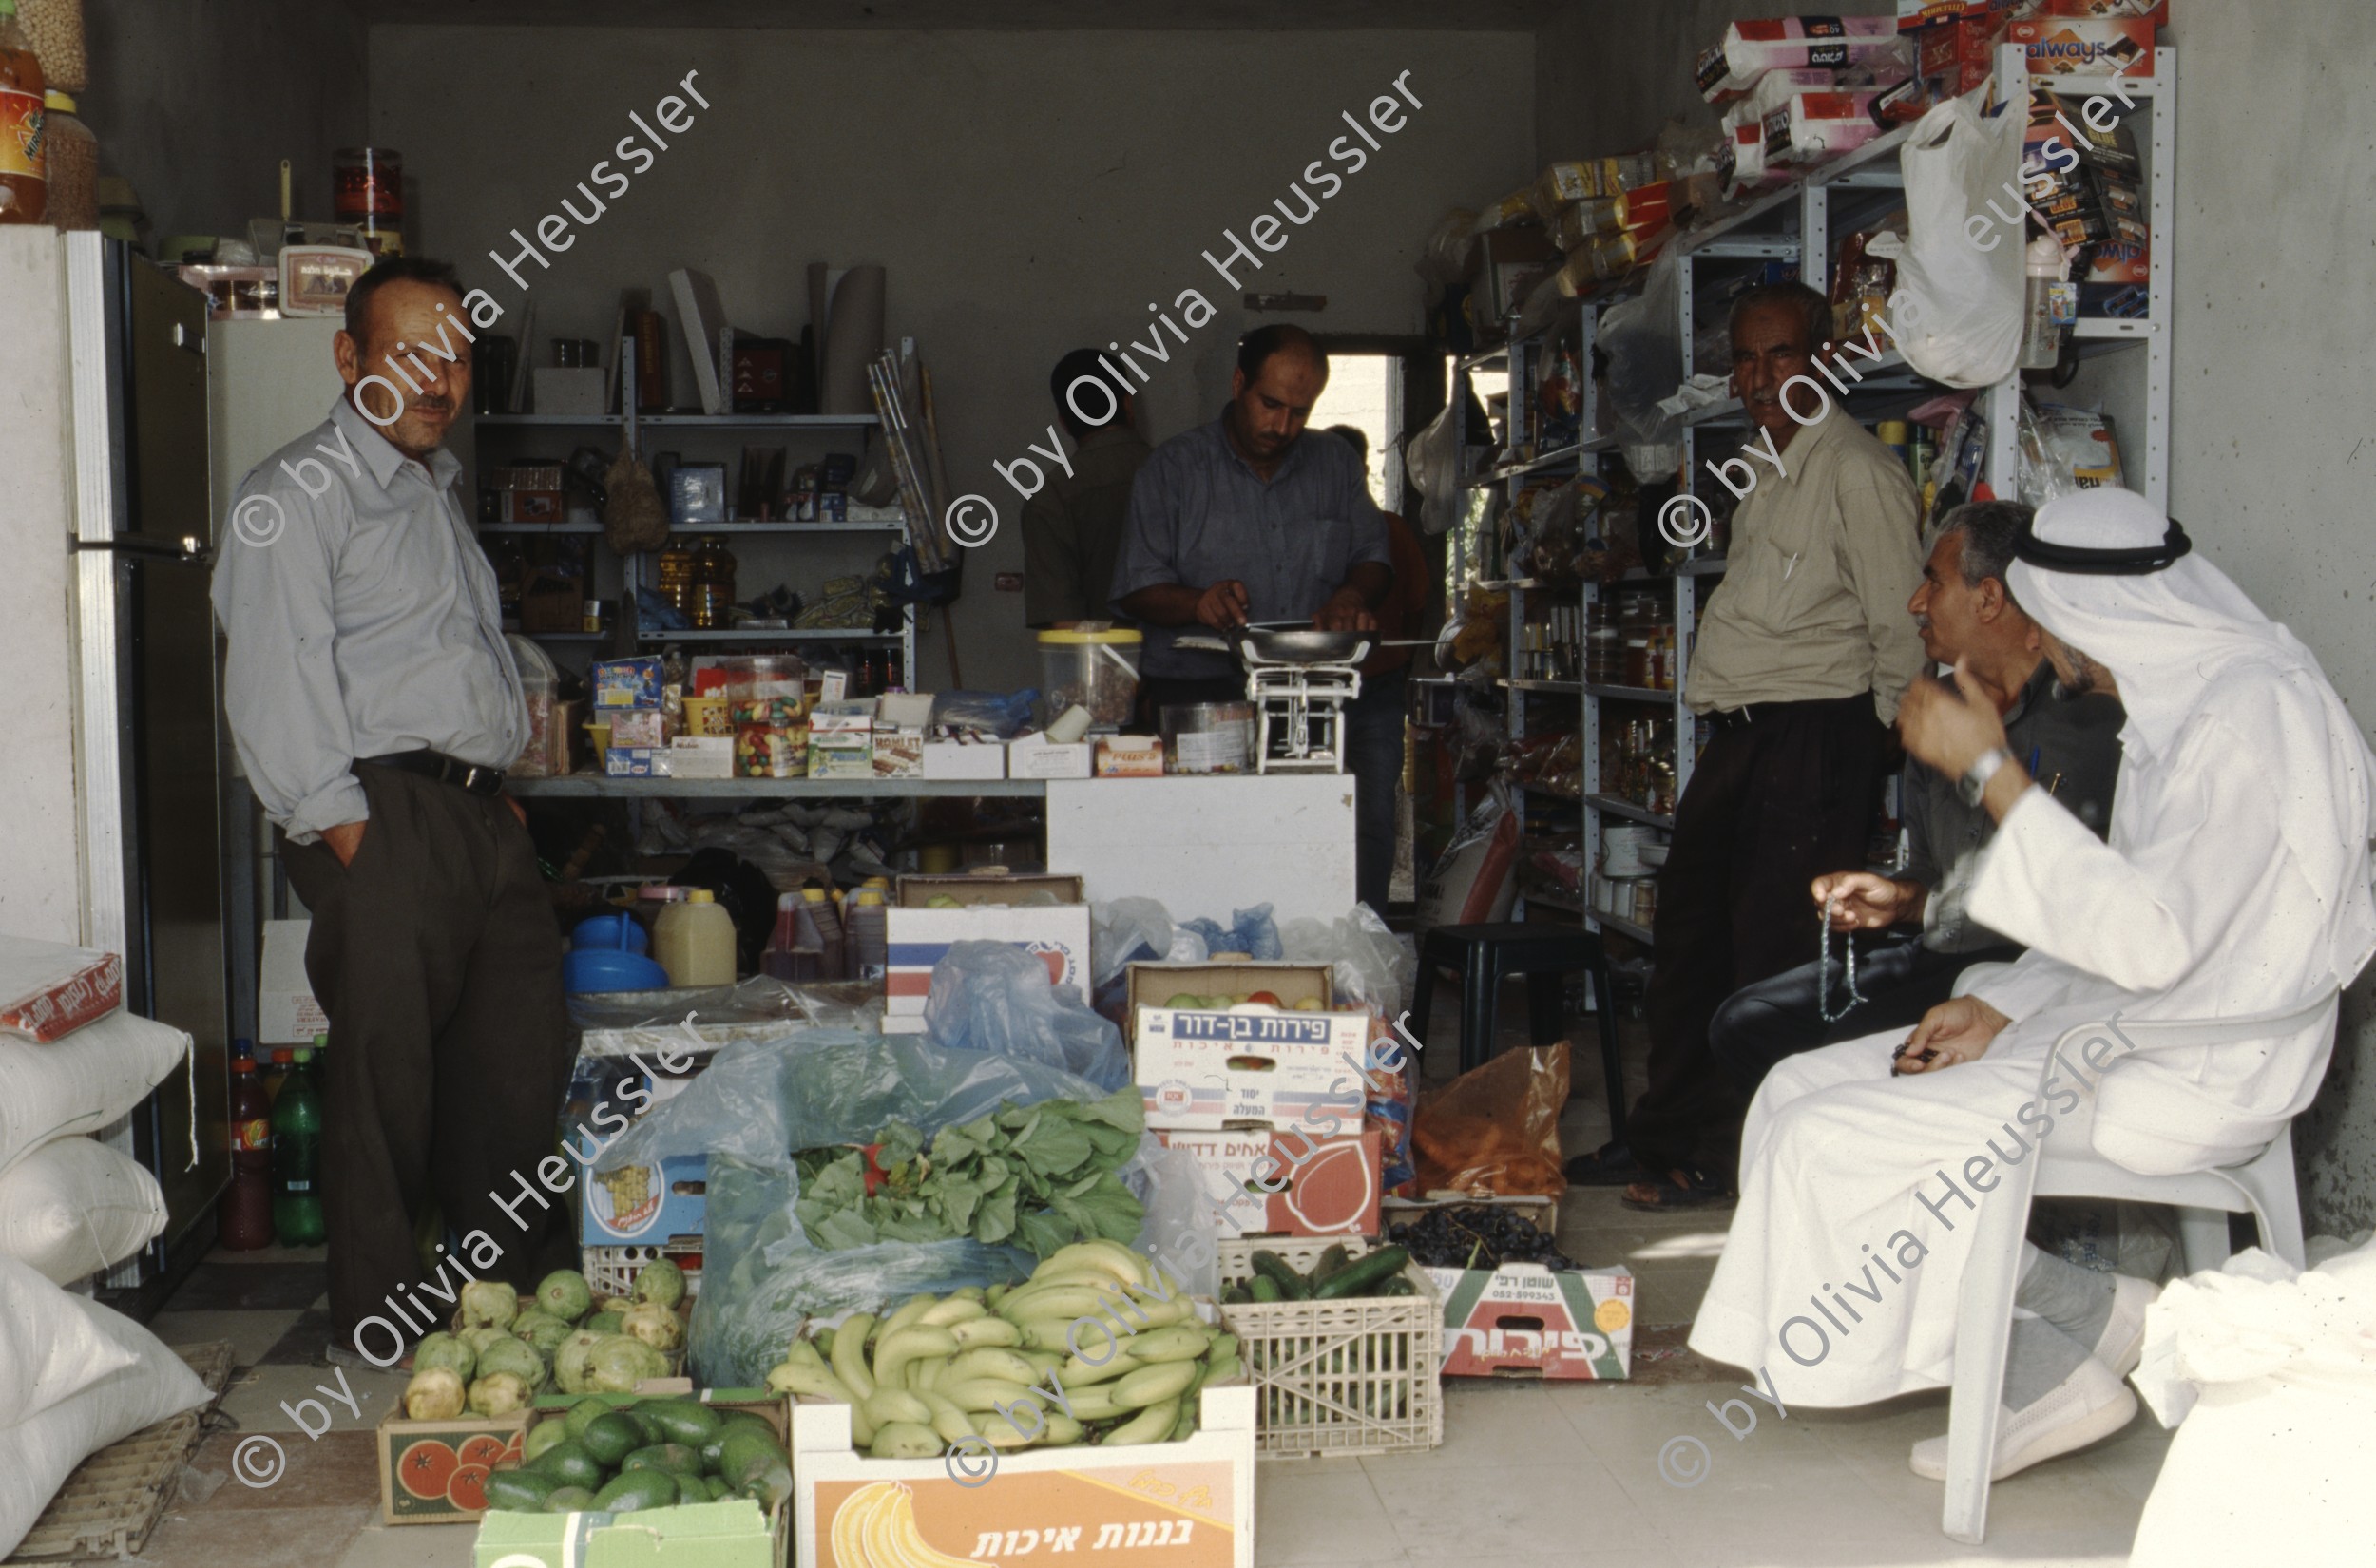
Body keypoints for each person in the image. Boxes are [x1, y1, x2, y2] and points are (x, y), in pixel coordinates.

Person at [1689, 488, 2376, 1482]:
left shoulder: (2245, 717)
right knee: (1796, 1089)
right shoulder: (2194, 699)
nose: (2054, 652)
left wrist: (1987, 772)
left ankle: (2052, 1345)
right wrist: (2003, 1001)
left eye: (2057, 623)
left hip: (2195, 1065)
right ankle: (2076, 1331)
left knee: (1826, 1137)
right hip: (2145, 1019)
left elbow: (2151, 942)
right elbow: (2152, 922)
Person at [211, 256, 575, 1353]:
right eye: (412, 353)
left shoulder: (430, 489)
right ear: (349, 359)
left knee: (513, 1081)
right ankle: (376, 1340)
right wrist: (355, 831)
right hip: (382, 816)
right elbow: (276, 679)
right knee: (386, 1094)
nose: (440, 377)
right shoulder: (296, 496)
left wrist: (493, 795)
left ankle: (508, 1322)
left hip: (471, 818)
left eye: (456, 355)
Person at [1571, 280, 1928, 1211]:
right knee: (1689, 942)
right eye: (1745, 358)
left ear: (1823, 358)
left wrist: (1879, 752)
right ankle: (1663, 1137)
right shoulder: (1761, 461)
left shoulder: (1854, 469)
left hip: (1816, 736)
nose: (1761, 377)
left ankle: (1734, 1159)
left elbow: (1901, 630)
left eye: (1780, 356)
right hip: (1742, 735)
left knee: (1770, 956)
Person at [1706, 500, 2124, 1093]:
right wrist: (1900, 899)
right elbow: (1936, 870)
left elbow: (2095, 899)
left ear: (1988, 597)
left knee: (1833, 1054)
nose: (1915, 603)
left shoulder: (2090, 721)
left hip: (2026, 972)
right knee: (1745, 1022)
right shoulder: (1935, 697)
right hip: (1941, 952)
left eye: (1933, 582)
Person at [1110, 324, 1392, 717]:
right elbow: (1134, 587)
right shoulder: (1172, 470)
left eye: (1300, 413)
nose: (1282, 428)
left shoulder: (1336, 463)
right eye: (1270, 404)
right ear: (1239, 382)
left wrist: (1351, 595)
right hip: (1196, 695)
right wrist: (1198, 603)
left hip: (1309, 691)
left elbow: (1373, 555)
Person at [1324, 424, 1430, 914]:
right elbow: (1416, 607)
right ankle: (1337, 919)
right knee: (1335, 810)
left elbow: (1414, 608)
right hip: (1318, 691)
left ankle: (1368, 925)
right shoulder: (1315, 536)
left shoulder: (1391, 531)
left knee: (1371, 813)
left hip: (1377, 689)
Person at [1022, 347, 1152, 629]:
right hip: (1188, 666)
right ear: (1128, 405)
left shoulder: (1051, 498)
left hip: (1105, 668)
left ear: (1064, 423)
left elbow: (1065, 627)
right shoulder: (1183, 474)